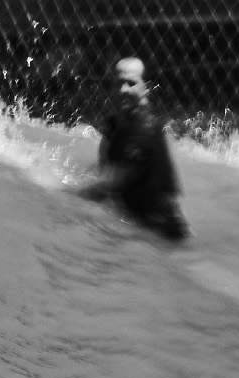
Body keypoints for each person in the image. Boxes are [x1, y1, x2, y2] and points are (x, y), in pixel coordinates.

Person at [79, 57, 190, 241]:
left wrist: (56, 188)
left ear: (146, 88)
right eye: (118, 83)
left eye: (131, 83)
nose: (123, 90)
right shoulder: (115, 125)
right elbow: (103, 170)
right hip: (135, 228)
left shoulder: (144, 129)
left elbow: (107, 185)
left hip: (162, 237)